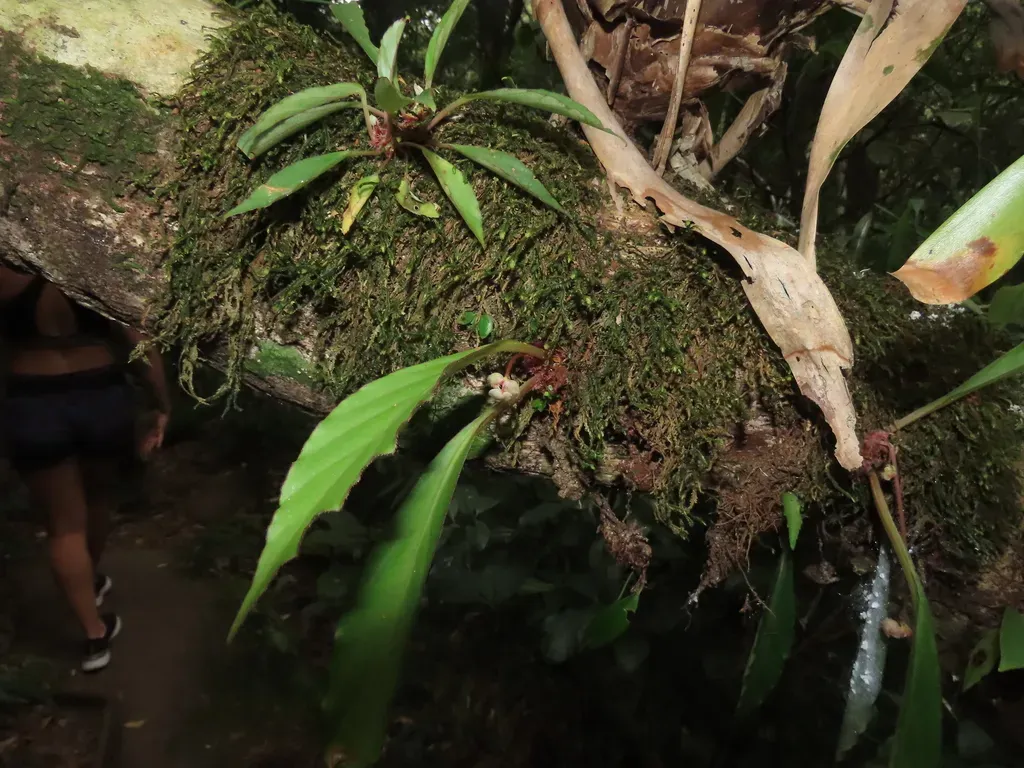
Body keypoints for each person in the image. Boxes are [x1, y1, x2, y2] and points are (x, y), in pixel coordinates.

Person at [0, 264, 170, 672]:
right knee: (96, 500)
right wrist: (161, 405)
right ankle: (88, 579)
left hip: (33, 399)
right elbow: (138, 339)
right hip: (100, 394)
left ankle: (94, 635)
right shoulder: (84, 250)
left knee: (64, 524)